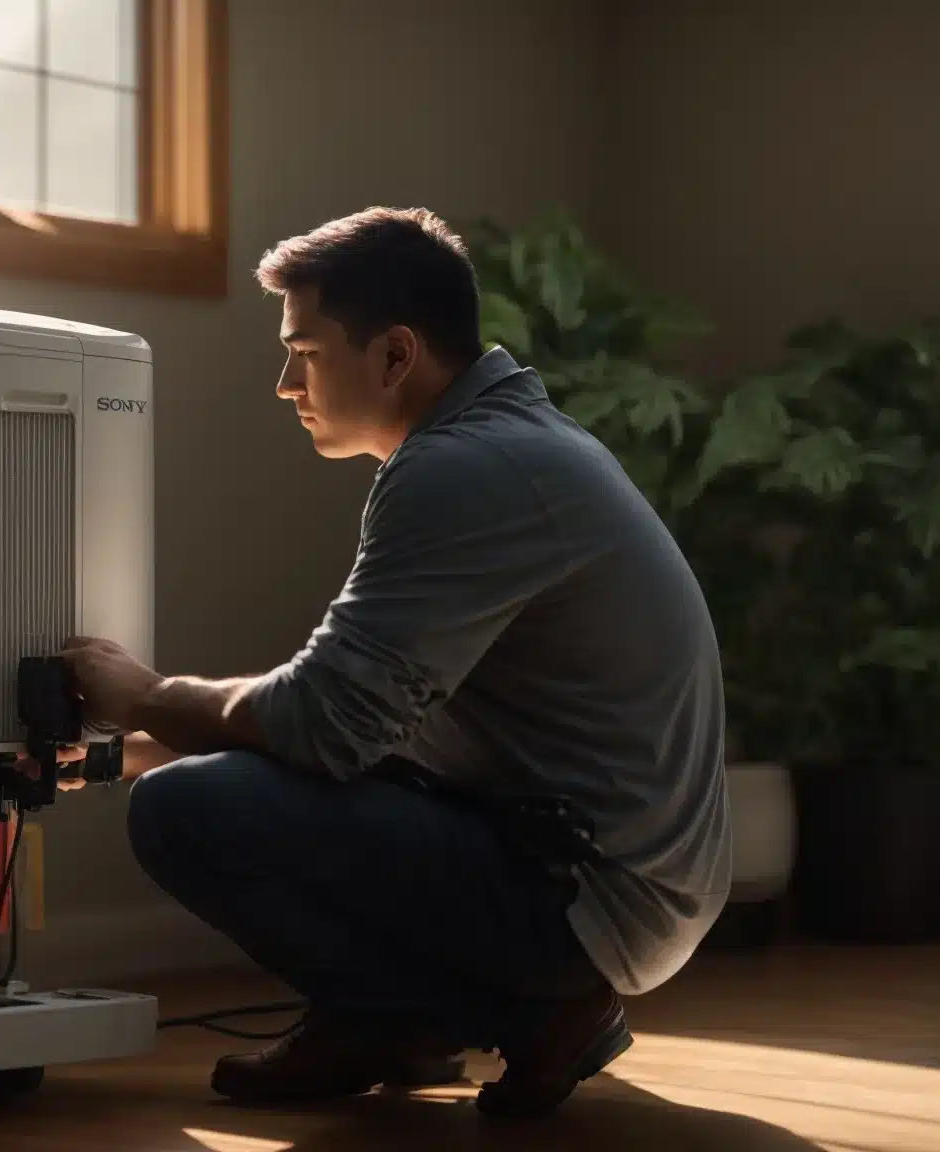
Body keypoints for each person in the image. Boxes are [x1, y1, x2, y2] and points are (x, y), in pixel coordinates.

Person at [51, 206, 731, 1117]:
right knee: (181, 780)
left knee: (182, 812)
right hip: (592, 865)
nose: (286, 382)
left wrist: (144, 696)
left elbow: (323, 724)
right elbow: (363, 719)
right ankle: (434, 1016)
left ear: (397, 355)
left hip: (591, 895)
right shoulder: (505, 447)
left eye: (307, 350)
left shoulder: (463, 470)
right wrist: (120, 748)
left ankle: (431, 1015)